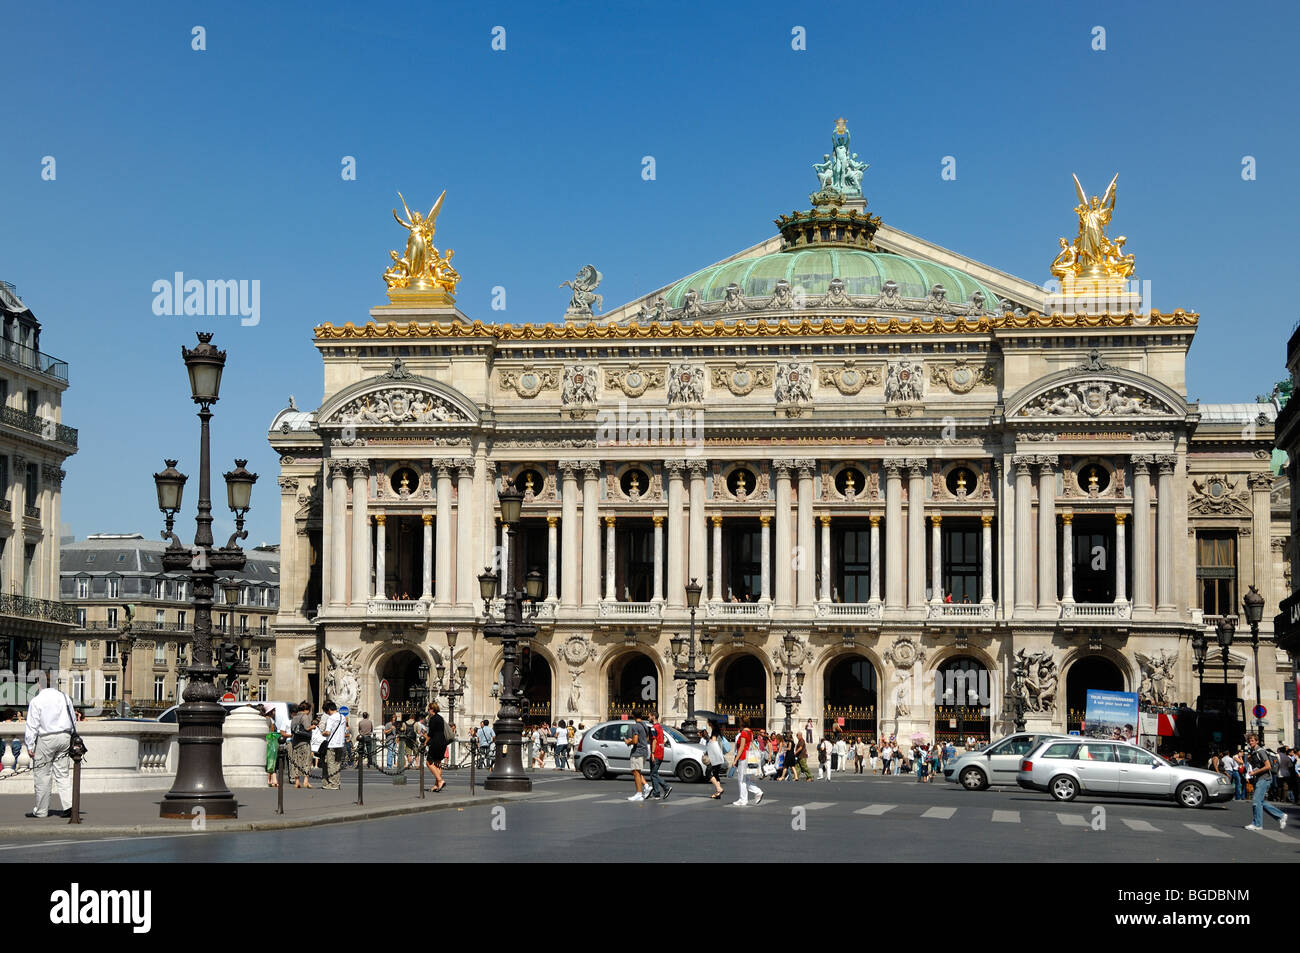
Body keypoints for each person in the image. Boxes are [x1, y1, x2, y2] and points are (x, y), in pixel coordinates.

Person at [23, 681, 77, 818]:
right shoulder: (65, 697)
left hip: (46, 738)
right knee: (63, 773)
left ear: (39, 684)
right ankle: (70, 806)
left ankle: (41, 810)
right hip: (65, 737)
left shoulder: (37, 700)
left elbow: (32, 725)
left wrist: (30, 745)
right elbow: (73, 719)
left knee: (42, 775)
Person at [1243, 734, 1287, 832]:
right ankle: (1281, 816)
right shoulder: (1254, 752)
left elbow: (1268, 766)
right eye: (1249, 741)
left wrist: (1254, 772)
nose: (1250, 742)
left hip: (1264, 778)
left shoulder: (1261, 751)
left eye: (1252, 740)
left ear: (1257, 741)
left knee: (1256, 802)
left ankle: (1257, 824)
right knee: (1260, 802)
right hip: (1260, 779)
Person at [732, 716, 764, 807]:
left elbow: (741, 747)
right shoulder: (750, 732)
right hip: (748, 756)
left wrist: (735, 760)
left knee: (741, 779)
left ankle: (744, 799)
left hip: (743, 757)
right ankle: (752, 794)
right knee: (745, 779)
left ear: (741, 723)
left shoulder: (743, 733)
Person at [320, 702, 346, 790]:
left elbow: (327, 732)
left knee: (331, 764)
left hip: (332, 744)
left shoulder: (331, 718)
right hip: (340, 744)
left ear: (329, 710)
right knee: (337, 764)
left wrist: (322, 733)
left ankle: (333, 783)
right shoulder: (342, 717)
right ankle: (337, 782)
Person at [625, 710, 650, 801]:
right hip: (644, 750)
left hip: (637, 752)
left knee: (635, 772)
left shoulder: (635, 726)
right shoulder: (644, 725)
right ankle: (646, 786)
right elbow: (646, 738)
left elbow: (635, 741)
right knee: (637, 771)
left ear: (633, 716)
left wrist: (628, 742)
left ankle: (639, 793)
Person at [647, 713, 672, 800]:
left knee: (653, 774)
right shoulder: (660, 727)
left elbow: (654, 740)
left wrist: (652, 753)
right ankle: (656, 793)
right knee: (654, 773)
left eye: (649, 716)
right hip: (661, 752)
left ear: (653, 717)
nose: (648, 717)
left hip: (656, 753)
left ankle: (666, 787)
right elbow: (662, 739)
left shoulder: (653, 728)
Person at [290, 701, 314, 788]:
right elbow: (307, 728)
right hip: (304, 742)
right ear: (306, 710)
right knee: (306, 761)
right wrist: (313, 726)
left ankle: (297, 782)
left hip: (295, 742)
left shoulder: (295, 717)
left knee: (296, 761)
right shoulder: (305, 717)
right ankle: (305, 781)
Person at [426, 702, 448, 792]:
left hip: (436, 742)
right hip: (443, 742)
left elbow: (430, 734)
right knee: (438, 763)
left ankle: (440, 780)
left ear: (432, 709)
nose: (428, 711)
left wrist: (425, 742)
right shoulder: (440, 718)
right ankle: (436, 785)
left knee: (429, 762)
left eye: (428, 709)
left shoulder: (433, 719)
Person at [704, 722, 728, 799]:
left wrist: (707, 738)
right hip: (719, 754)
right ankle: (718, 793)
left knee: (708, 773)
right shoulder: (719, 730)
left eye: (708, 722)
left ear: (711, 722)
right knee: (716, 774)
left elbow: (713, 742)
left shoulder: (715, 731)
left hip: (714, 755)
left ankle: (719, 789)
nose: (708, 723)